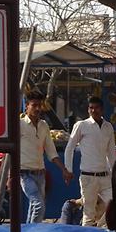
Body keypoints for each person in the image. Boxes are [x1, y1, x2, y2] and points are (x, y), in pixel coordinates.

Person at [19, 91, 72, 223]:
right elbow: (10, 152)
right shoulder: (19, 125)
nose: (37, 108)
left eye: (39, 105)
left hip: (40, 173)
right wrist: (10, 176)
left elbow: (51, 152)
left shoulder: (43, 126)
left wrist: (63, 170)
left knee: (35, 207)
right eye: (34, 105)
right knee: (38, 205)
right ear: (27, 107)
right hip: (24, 173)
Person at [64, 95, 116, 227]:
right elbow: (69, 148)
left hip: (105, 176)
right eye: (91, 108)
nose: (94, 111)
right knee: (89, 214)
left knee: (114, 205)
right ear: (88, 110)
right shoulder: (82, 125)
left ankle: (100, 230)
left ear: (102, 110)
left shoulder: (108, 127)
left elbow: (111, 153)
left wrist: (115, 173)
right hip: (88, 176)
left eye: (97, 108)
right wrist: (68, 170)